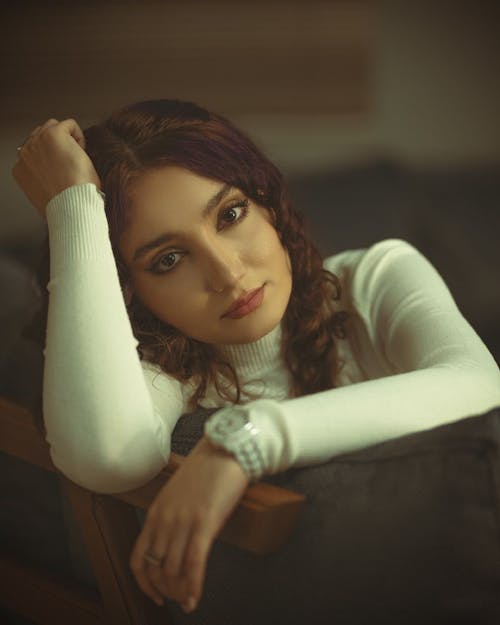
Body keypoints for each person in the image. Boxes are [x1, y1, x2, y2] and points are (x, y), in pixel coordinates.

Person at [12, 99, 500, 617]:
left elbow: (481, 385)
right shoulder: (167, 375)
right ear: (128, 290)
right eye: (169, 259)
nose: (226, 273)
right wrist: (73, 205)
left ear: (266, 202)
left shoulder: (375, 278)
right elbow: (108, 454)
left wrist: (246, 439)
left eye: (230, 214)